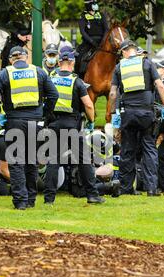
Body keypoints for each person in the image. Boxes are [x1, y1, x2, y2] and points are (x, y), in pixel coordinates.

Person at [0, 46, 58, 210]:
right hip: (35, 122)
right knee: (31, 162)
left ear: (11, 59)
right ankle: (31, 200)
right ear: (26, 57)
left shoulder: (5, 73)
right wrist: (44, 114)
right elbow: (54, 95)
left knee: (16, 162)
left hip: (14, 121)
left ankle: (20, 201)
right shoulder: (39, 72)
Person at [43, 47, 104, 205]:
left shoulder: (51, 78)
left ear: (59, 62)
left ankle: (49, 199)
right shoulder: (76, 81)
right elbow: (88, 105)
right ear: (71, 62)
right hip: (72, 126)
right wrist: (91, 120)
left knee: (53, 161)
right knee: (84, 160)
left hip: (54, 124)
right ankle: (92, 195)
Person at [109, 40, 164, 196]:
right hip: (146, 114)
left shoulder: (119, 67)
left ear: (123, 52)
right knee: (149, 149)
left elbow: (113, 93)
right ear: (135, 50)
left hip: (127, 114)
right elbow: (160, 86)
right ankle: (151, 188)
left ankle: (126, 188)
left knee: (127, 150)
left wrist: (114, 113)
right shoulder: (147, 63)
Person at [75, 0, 108, 77]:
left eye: (96, 3)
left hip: (102, 42)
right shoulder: (83, 16)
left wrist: (103, 40)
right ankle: (78, 77)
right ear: (88, 5)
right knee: (79, 57)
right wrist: (91, 41)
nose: (95, 5)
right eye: (93, 3)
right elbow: (82, 31)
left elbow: (106, 29)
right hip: (88, 42)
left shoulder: (101, 15)